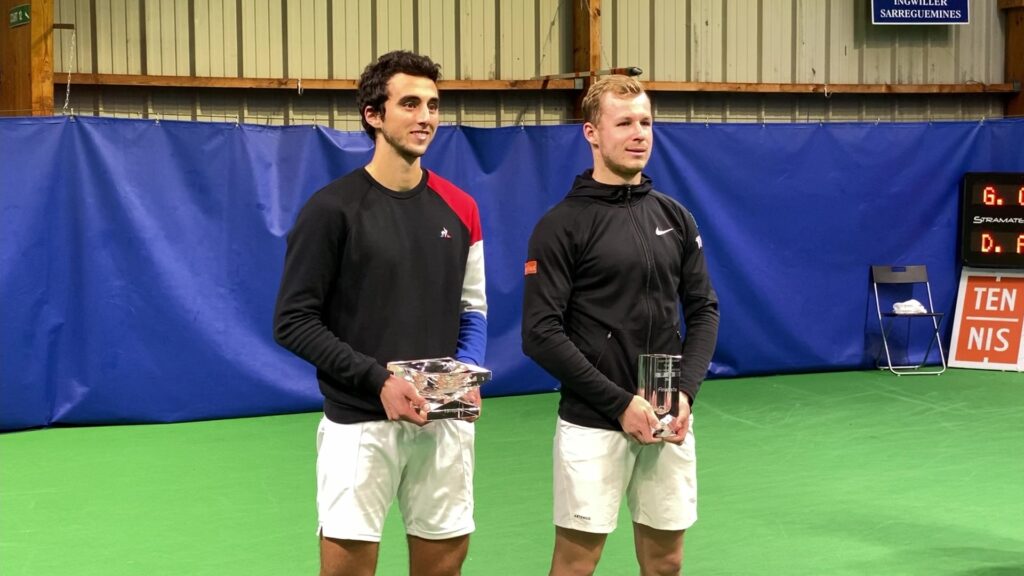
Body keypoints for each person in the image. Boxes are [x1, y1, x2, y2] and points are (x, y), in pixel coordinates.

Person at [273, 50, 487, 576]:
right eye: (410, 103)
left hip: (443, 427)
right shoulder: (331, 210)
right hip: (359, 426)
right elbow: (293, 321)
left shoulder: (461, 208)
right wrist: (377, 381)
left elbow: (473, 308)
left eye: (433, 105)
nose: (425, 117)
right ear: (373, 115)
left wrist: (463, 379)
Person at [521, 75, 719, 576]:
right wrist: (618, 403)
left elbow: (703, 310)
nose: (639, 134)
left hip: (666, 416)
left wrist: (686, 393)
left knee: (667, 563)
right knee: (575, 566)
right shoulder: (561, 225)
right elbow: (540, 333)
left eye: (646, 122)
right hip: (593, 422)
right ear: (591, 132)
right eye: (625, 122)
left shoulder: (676, 217)